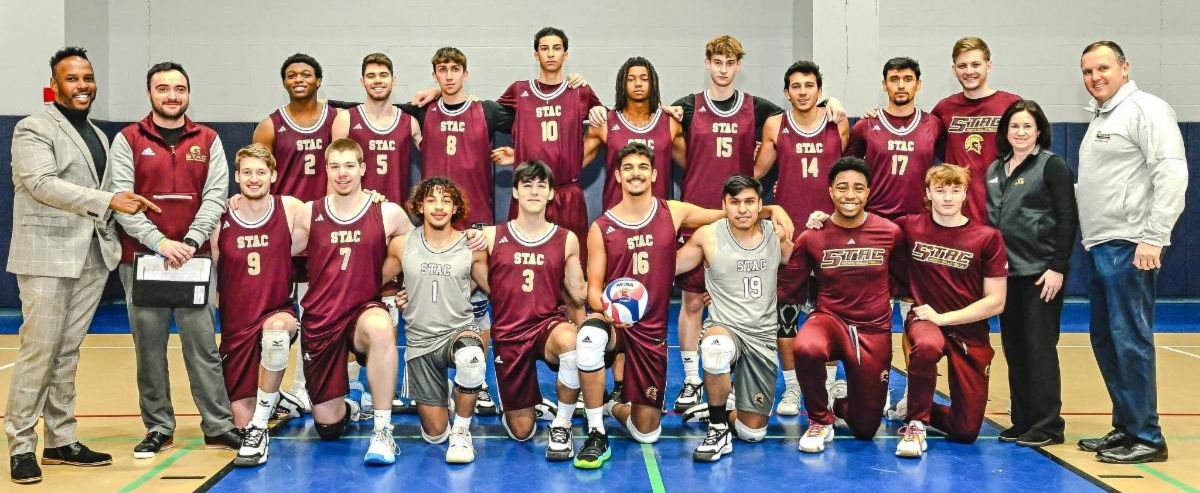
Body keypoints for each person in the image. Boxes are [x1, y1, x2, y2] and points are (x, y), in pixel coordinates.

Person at [574, 142, 792, 467]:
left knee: (646, 431)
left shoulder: (673, 211)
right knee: (589, 339)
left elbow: (729, 212)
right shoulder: (601, 227)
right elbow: (593, 288)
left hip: (651, 329)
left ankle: (612, 408)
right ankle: (595, 431)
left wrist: (773, 209)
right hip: (615, 321)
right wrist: (609, 310)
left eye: (642, 167)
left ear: (655, 173)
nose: (636, 173)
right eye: (629, 168)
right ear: (618, 175)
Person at [6, 46, 157, 485]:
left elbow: (115, 197)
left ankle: (60, 438)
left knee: (67, 352)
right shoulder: (33, 128)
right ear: (55, 85)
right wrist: (107, 199)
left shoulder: (98, 133)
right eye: (72, 79)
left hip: (92, 255)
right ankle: (20, 445)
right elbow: (40, 183)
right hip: (48, 254)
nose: (83, 86)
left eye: (88, 78)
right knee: (39, 352)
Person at [108, 61, 240, 459]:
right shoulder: (127, 139)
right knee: (149, 349)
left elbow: (216, 196)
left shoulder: (209, 139)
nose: (172, 95)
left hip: (194, 260)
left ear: (188, 93)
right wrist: (161, 243)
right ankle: (158, 428)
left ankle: (218, 427)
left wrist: (190, 240)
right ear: (150, 93)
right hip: (143, 260)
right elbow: (121, 202)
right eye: (163, 88)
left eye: (179, 88)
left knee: (202, 347)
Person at [1075, 40, 1187, 464]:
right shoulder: (1104, 116)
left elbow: (1171, 171)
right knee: (1107, 340)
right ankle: (1125, 427)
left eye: (1103, 68)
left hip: (1130, 244)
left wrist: (1154, 236)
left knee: (1130, 339)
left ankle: (1147, 435)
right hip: (1101, 244)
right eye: (1087, 71)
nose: (1095, 77)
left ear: (1124, 67)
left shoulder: (1147, 109)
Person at [289, 138, 419, 465]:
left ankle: (382, 430)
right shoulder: (310, 213)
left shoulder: (387, 212)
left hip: (363, 309)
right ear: (326, 170)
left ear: (363, 168)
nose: (342, 173)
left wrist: (402, 288)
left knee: (380, 328)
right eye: (335, 166)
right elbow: (280, 252)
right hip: (321, 318)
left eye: (350, 165)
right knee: (328, 427)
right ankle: (350, 405)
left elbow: (416, 251)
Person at [782, 156, 902, 454]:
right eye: (842, 187)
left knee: (865, 429)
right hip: (830, 320)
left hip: (873, 330)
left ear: (869, 192)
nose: (850, 195)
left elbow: (906, 278)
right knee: (807, 346)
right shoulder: (812, 236)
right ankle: (820, 420)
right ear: (830, 191)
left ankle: (839, 404)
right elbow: (788, 289)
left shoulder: (890, 233)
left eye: (858, 188)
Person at [846, 56, 941, 418]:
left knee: (913, 314)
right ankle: (877, 390)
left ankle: (911, 397)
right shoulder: (866, 126)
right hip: (877, 229)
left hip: (918, 230)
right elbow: (848, 173)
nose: (900, 85)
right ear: (884, 85)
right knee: (875, 315)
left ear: (918, 84)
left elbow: (945, 172)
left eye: (907, 79)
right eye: (893, 79)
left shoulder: (934, 125)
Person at [891, 164, 1007, 458]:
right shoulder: (910, 225)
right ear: (928, 193)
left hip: (967, 328)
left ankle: (920, 408)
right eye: (940, 190)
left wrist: (945, 318)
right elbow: (864, 226)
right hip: (925, 319)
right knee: (927, 345)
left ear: (966, 194)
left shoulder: (986, 237)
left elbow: (996, 301)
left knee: (966, 431)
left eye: (955, 190)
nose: (947, 197)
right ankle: (916, 425)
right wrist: (824, 219)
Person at [754, 60, 848, 416]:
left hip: (829, 234)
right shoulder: (776, 125)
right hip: (788, 235)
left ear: (820, 91)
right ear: (786, 92)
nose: (803, 91)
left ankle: (825, 384)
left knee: (831, 313)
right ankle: (792, 388)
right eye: (796, 86)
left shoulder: (837, 123)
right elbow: (756, 173)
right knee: (786, 315)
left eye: (809, 85)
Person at [675, 176, 792, 462]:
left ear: (761, 205)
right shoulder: (709, 235)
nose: (742, 209)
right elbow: (668, 267)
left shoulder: (775, 234)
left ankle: (721, 410)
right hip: (725, 327)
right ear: (723, 205)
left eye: (750, 202)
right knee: (715, 346)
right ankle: (717, 428)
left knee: (752, 433)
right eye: (735, 202)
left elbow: (804, 262)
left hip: (762, 337)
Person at [253, 53, 343, 412]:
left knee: (317, 312)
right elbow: (255, 175)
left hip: (326, 230)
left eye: (306, 74)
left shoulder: (336, 120)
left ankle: (307, 385)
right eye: (291, 74)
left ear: (319, 80)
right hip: (286, 232)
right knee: (279, 313)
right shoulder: (269, 125)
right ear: (284, 81)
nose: (299, 79)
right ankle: (270, 388)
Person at [485, 161, 592, 462]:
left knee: (572, 342)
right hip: (509, 334)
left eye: (541, 185)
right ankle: (525, 406)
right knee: (522, 432)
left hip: (547, 326)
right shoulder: (492, 237)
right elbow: (470, 280)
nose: (534, 190)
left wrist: (613, 289)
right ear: (516, 191)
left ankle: (563, 424)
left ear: (550, 195)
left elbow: (579, 294)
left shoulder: (566, 238)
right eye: (527, 184)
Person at [986, 99, 1077, 448]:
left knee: (1039, 348)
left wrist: (1058, 267)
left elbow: (1068, 218)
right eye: (1014, 126)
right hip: (1004, 276)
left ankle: (1048, 424)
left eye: (1027, 126)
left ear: (1039, 130)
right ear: (1005, 132)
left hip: (1040, 273)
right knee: (1015, 347)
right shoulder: (996, 169)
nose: (1020, 132)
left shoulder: (1051, 166)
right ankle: (1022, 420)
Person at [211, 144, 306, 467]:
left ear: (274, 176)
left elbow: (337, 215)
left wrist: (374, 199)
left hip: (277, 312)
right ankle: (275, 394)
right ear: (236, 177)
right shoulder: (220, 215)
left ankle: (261, 428)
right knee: (240, 421)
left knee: (277, 334)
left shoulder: (290, 208)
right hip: (237, 325)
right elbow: (214, 265)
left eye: (261, 172)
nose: (254, 179)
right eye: (247, 172)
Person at [382, 177, 489, 464]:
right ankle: (448, 404)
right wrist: (396, 295)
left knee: (471, 357)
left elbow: (496, 288)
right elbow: (373, 282)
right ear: (419, 206)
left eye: (446, 201)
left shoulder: (471, 245)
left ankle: (463, 432)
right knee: (434, 433)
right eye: (431, 200)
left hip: (459, 331)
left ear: (456, 207)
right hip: (420, 343)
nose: (439, 207)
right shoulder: (402, 245)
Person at [931, 37, 1022, 225]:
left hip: (1002, 210)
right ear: (954, 69)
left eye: (975, 64)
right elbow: (924, 141)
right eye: (962, 66)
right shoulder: (944, 108)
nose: (969, 71)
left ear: (989, 66)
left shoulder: (1011, 105)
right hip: (958, 211)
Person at [582, 56, 686, 210]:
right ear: (622, 84)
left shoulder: (670, 123)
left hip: (658, 217)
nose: (638, 84)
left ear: (653, 84)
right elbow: (571, 167)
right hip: (616, 216)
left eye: (644, 79)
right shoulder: (604, 123)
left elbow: (695, 170)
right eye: (631, 79)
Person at [332, 52, 421, 205]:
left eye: (383, 75)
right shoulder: (346, 120)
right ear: (362, 81)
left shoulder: (410, 123)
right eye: (371, 76)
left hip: (398, 214)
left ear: (393, 81)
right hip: (357, 211)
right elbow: (333, 171)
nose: (377, 80)